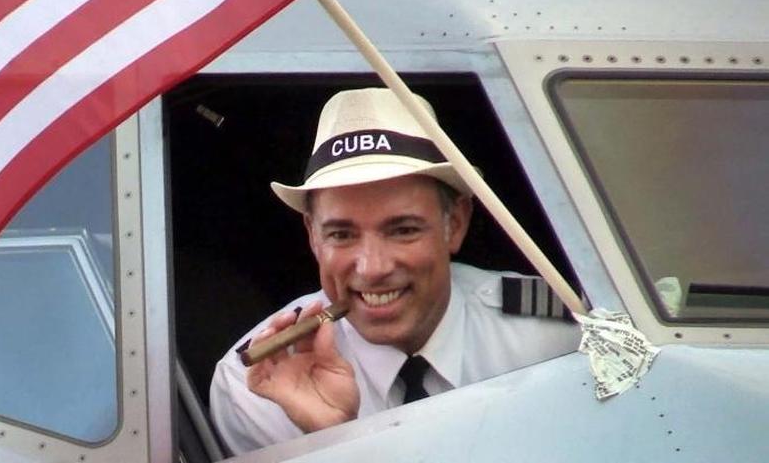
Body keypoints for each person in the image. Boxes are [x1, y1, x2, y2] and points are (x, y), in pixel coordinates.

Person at [208, 87, 579, 455]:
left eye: (403, 230)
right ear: (312, 236)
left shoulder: (556, 335)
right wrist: (336, 443)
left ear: (457, 224)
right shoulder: (259, 386)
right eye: (341, 234)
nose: (372, 268)